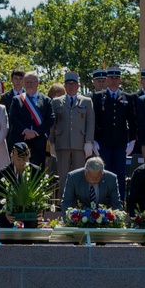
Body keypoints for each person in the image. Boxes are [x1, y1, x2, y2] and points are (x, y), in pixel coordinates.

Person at [50, 71, 95, 199]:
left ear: (78, 86)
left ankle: (79, 201)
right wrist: (52, 142)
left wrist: (89, 142)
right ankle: (64, 202)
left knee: (80, 174)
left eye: (73, 83)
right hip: (62, 143)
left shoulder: (86, 102)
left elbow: (90, 122)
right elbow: (53, 124)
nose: (71, 86)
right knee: (63, 175)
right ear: (64, 86)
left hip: (80, 143)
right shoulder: (56, 102)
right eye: (68, 84)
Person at [93, 67, 136, 201]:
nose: (113, 81)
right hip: (103, 143)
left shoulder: (127, 98)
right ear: (106, 80)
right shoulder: (98, 97)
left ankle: (118, 203)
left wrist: (132, 141)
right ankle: (103, 203)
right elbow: (94, 120)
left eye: (116, 78)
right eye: (111, 78)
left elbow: (133, 121)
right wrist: (93, 140)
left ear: (120, 80)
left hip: (120, 143)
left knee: (120, 175)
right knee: (103, 173)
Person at [7, 71, 55, 169]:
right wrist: (26, 131)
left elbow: (50, 119)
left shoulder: (46, 100)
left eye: (32, 82)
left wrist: (35, 133)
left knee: (38, 173)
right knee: (19, 171)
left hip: (39, 142)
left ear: (37, 83)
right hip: (20, 141)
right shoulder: (17, 99)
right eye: (27, 82)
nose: (29, 84)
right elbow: (13, 118)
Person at [0, 142, 42, 229]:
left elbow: (41, 194)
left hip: (29, 212)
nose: (22, 163)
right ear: (12, 156)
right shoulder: (4, 172)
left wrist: (40, 209)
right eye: (18, 160)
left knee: (32, 221)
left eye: (25, 159)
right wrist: (5, 213)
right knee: (4, 221)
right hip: (9, 211)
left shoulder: (35, 171)